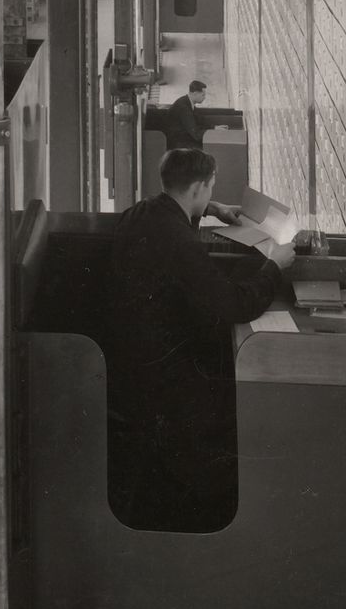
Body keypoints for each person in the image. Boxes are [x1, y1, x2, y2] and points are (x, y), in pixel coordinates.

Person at [103, 147, 292, 533]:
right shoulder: (180, 242)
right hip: (161, 373)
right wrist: (274, 266)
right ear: (198, 186)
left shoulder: (140, 213)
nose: (211, 194)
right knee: (226, 395)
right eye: (210, 189)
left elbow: (174, 226)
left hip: (128, 355)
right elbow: (235, 306)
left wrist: (210, 208)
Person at [165, 77, 208, 150]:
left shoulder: (186, 101)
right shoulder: (184, 108)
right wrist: (211, 132)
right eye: (203, 95)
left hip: (182, 138)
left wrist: (214, 128)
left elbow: (199, 120)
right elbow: (196, 135)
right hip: (177, 143)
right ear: (195, 94)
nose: (205, 97)